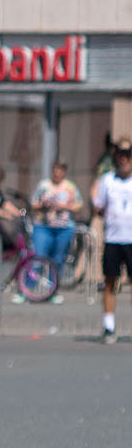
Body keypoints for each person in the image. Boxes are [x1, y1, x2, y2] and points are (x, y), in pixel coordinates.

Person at [92, 138, 132, 343]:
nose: (123, 160)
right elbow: (98, 206)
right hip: (114, 239)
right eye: (120, 156)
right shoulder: (108, 180)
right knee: (110, 281)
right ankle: (109, 326)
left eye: (127, 156)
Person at [31, 161, 83, 299]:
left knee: (57, 260)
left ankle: (52, 291)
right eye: (55, 170)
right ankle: (27, 290)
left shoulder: (70, 187)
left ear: (64, 172)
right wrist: (43, 204)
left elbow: (78, 205)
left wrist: (65, 207)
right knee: (38, 258)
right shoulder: (44, 185)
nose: (57, 173)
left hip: (63, 228)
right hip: (43, 226)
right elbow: (33, 203)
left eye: (60, 170)